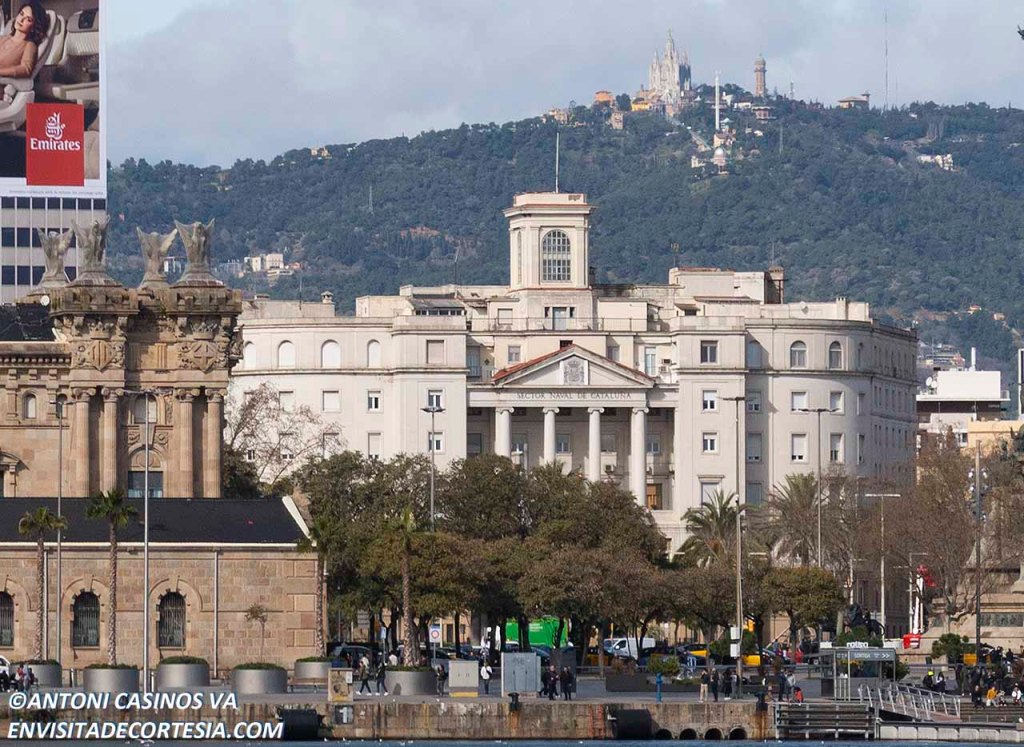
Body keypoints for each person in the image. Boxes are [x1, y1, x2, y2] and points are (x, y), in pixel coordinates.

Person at [0, 1, 50, 78]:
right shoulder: (3, 39)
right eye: (21, 14)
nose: (21, 19)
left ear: (34, 27)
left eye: (28, 19)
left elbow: (26, 69)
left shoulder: (29, 45)